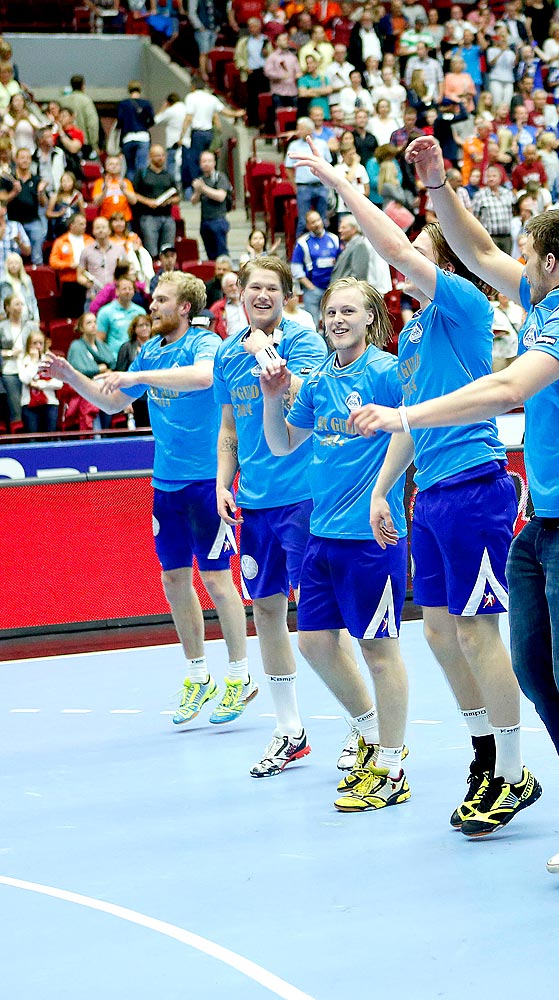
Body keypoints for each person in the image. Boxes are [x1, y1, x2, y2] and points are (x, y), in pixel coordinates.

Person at [351, 135, 559, 906]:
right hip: (550, 517)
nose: (514, 261)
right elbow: (478, 247)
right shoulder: (549, 296)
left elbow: (506, 388)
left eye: (529, 251)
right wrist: (438, 185)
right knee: (534, 668)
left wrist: (405, 415)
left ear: (551, 262)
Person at [292, 145, 542, 836]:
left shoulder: (462, 304)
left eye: (424, 254)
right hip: (427, 494)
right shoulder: (409, 336)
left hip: (473, 485)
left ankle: (517, 769)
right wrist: (383, 488)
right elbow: (407, 421)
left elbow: (396, 246)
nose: (407, 264)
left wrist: (343, 184)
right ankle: (486, 757)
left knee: (477, 632)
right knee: (438, 635)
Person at [43, 273, 253, 727]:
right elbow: (111, 402)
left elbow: (202, 378)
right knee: (174, 580)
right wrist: (69, 375)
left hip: (206, 481)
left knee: (217, 580)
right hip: (166, 484)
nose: (151, 305)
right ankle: (199, 676)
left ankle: (240, 674)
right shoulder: (152, 350)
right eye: (152, 298)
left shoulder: (205, 342)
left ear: (183, 307)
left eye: (161, 299)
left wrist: (138, 373)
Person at [261, 277, 412, 812]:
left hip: (371, 537)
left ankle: (393, 767)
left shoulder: (388, 372)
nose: (338, 320)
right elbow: (281, 444)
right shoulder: (319, 379)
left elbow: (412, 430)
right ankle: (370, 734)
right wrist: (271, 396)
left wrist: (381, 494)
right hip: (321, 535)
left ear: (371, 318)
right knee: (314, 643)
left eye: (350, 312)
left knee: (378, 651)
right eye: (331, 313)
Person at [214, 254, 328, 776]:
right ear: (240, 295)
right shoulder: (224, 356)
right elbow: (230, 430)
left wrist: (266, 352)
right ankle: (289, 730)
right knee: (265, 612)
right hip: (255, 504)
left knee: (322, 620)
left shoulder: (304, 341)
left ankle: (362, 730)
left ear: (286, 296)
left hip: (304, 496)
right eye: (252, 288)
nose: (261, 296)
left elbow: (307, 399)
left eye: (270, 289)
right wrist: (222, 483)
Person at [132, 145, 180, 258]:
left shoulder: (168, 175)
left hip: (167, 217)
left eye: (163, 155)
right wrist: (148, 201)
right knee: (151, 250)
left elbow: (177, 197)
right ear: (150, 156)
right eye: (158, 155)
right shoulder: (142, 173)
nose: (161, 158)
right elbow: (134, 194)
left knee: (168, 250)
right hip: (148, 216)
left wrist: (169, 201)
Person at [291, 210, 340, 321]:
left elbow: (340, 263)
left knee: (332, 322)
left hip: (332, 288)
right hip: (313, 289)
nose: (317, 224)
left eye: (318, 220)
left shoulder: (334, 239)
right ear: (308, 226)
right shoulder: (302, 242)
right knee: (313, 324)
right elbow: (295, 268)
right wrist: (310, 287)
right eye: (313, 222)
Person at [191, 150, 234, 261]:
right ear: (200, 164)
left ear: (214, 163)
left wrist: (203, 188)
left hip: (218, 220)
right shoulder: (201, 179)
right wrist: (197, 191)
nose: (207, 163)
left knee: (222, 254)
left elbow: (221, 196)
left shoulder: (220, 177)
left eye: (209, 161)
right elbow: (193, 201)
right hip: (205, 221)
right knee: (210, 255)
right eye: (204, 161)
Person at [0, 292, 35, 425]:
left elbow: (39, 344)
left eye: (21, 304)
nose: (20, 307)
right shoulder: (1, 327)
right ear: (7, 307)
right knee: (16, 407)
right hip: (10, 370)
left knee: (31, 406)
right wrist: (9, 353)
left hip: (28, 367)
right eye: (16, 304)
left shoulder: (30, 326)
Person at [19, 329, 60, 432]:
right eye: (34, 343)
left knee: (50, 437)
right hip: (29, 405)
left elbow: (59, 383)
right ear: (28, 345)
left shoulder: (50, 360)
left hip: (50, 403)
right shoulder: (23, 360)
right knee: (32, 438)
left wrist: (40, 384)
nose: (38, 346)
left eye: (40, 343)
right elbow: (25, 378)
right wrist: (33, 361)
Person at [96, 276, 147, 353]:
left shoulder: (140, 311)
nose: (127, 291)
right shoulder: (105, 312)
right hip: (115, 359)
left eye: (130, 289)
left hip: (136, 358)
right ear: (117, 291)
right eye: (124, 289)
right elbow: (99, 341)